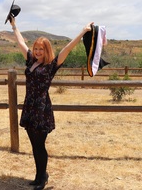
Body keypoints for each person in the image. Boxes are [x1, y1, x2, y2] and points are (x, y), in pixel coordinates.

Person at [10, 17, 93, 190]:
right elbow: (19, 42)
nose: (38, 51)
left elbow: (67, 48)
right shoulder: (31, 60)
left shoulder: (51, 65)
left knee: (40, 146)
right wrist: (14, 25)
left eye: (41, 49)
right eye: (36, 48)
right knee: (34, 145)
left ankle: (42, 178)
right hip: (30, 108)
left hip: (41, 109)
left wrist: (83, 31)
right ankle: (39, 175)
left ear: (46, 50)